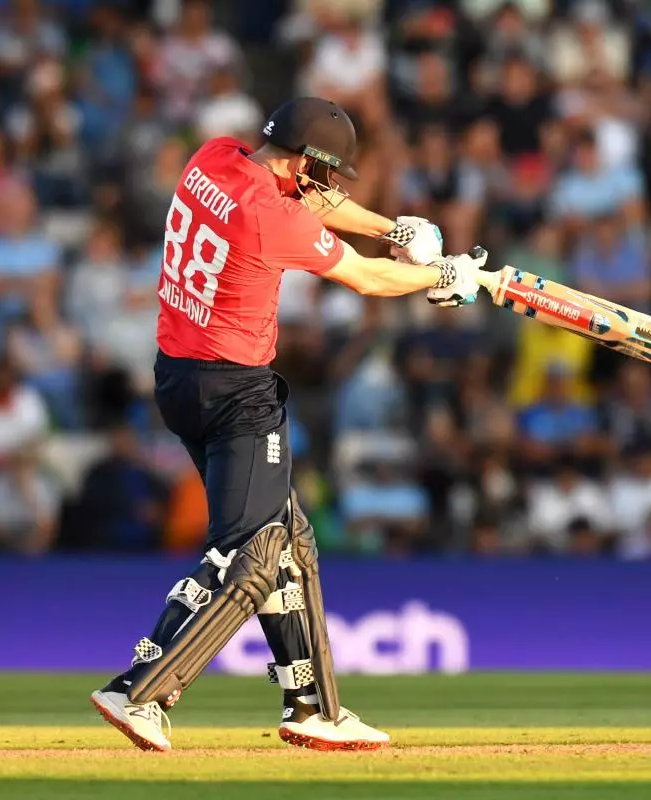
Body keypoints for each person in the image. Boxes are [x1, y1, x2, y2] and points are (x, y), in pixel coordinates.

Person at [90, 97, 483, 752]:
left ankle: (313, 706)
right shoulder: (270, 217)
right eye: (323, 171)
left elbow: (311, 200)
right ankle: (140, 688)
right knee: (252, 553)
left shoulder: (213, 157)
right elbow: (361, 279)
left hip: (178, 377)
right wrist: (441, 275)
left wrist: (394, 229)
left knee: (290, 542)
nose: (327, 187)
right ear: (305, 159)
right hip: (238, 391)